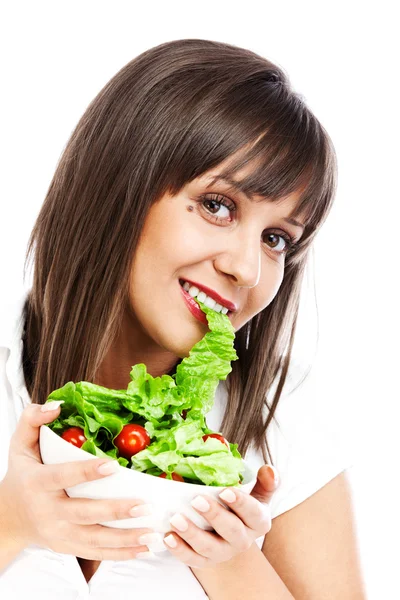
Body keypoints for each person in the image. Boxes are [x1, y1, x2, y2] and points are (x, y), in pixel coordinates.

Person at [0, 39, 366, 599]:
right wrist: (12, 522)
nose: (246, 267)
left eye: (276, 239)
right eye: (218, 205)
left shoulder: (283, 421)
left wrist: (230, 563)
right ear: (118, 187)